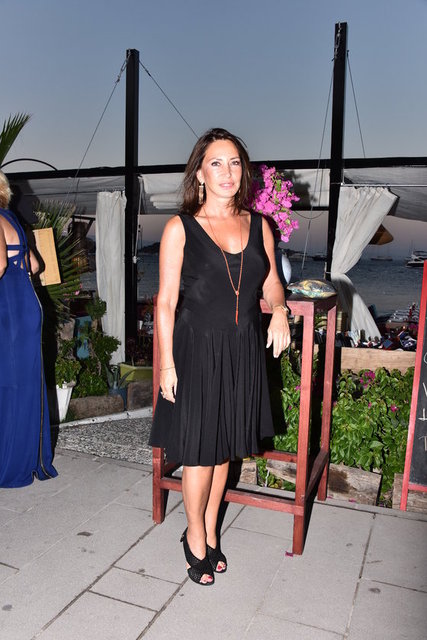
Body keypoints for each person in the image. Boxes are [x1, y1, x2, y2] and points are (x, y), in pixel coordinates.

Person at [149, 128, 290, 586]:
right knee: (198, 450)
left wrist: (280, 310)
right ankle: (194, 535)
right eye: (216, 163)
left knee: (225, 445)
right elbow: (166, 302)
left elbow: (271, 282)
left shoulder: (259, 225)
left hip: (242, 347)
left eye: (234, 163)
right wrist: (166, 364)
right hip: (196, 348)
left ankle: (211, 528)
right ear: (200, 174)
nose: (227, 172)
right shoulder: (181, 228)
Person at [0, 171, 57, 487]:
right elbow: (34, 265)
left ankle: (10, 465)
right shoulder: (13, 220)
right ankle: (28, 460)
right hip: (26, 307)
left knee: (9, 387)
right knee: (23, 386)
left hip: (8, 310)